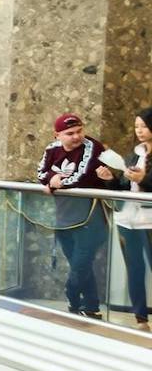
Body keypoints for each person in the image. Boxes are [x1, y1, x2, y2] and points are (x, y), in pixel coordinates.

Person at [39, 113, 121, 319]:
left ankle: (72, 295)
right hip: (64, 217)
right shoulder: (51, 149)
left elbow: (81, 177)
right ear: (57, 135)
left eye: (79, 131)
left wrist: (54, 183)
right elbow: (40, 172)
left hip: (90, 219)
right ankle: (91, 307)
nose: (77, 136)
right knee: (79, 266)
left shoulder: (91, 146)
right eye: (70, 133)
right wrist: (51, 179)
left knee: (79, 266)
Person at [118, 107, 152, 329]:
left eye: (144, 126)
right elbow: (123, 186)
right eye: (136, 126)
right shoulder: (134, 154)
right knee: (135, 268)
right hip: (127, 219)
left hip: (149, 219)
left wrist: (144, 179)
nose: (139, 130)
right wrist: (112, 178)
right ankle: (140, 318)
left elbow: (145, 182)